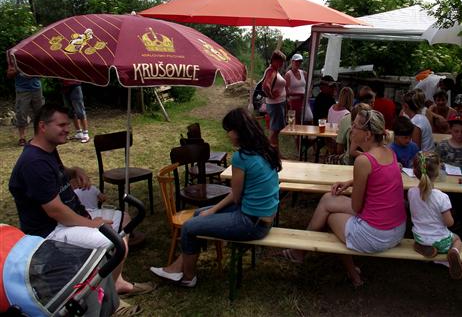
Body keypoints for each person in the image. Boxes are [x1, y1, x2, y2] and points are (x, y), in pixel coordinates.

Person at [8, 104, 155, 300]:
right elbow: (55, 211)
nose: (68, 129)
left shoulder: (47, 150)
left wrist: (75, 171)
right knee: (117, 241)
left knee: (125, 219)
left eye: (67, 124)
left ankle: (116, 283)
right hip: (51, 229)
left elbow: (59, 172)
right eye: (61, 125)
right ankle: (107, 299)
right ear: (42, 126)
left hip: (71, 215)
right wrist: (92, 224)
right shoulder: (34, 163)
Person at [150, 108, 281, 286]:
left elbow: (236, 196)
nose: (228, 135)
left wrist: (213, 210)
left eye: (229, 130)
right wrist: (212, 211)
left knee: (188, 227)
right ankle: (176, 269)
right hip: (263, 218)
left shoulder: (242, 157)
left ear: (239, 131)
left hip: (252, 223)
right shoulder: (265, 150)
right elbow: (240, 196)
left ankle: (188, 278)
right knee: (198, 215)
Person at [280, 109, 406, 287]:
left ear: (367, 135)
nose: (351, 129)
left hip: (377, 236)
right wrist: (351, 182)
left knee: (330, 215)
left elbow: (356, 207)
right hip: (397, 230)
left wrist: (347, 194)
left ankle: (351, 273)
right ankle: (300, 251)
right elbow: (379, 177)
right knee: (328, 198)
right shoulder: (389, 153)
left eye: (355, 126)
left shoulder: (363, 161)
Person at [408, 152, 462, 279]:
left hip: (419, 237)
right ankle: (453, 252)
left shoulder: (411, 192)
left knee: (422, 238)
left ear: (415, 172)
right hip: (441, 242)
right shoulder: (441, 197)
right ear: (437, 173)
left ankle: (422, 246)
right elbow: (449, 223)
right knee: (457, 239)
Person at [6, 58, 44, 146]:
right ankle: (22, 137)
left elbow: (42, 74)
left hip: (36, 89)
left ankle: (39, 136)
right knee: (21, 113)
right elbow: (9, 75)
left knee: (39, 113)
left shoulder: (34, 58)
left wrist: (33, 71)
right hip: (22, 90)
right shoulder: (14, 60)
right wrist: (19, 69)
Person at [262, 50, 287, 148]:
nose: (282, 64)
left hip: (278, 103)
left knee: (276, 130)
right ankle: (271, 152)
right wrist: (271, 96)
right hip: (276, 104)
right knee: (274, 130)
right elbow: (266, 85)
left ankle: (275, 152)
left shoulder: (274, 71)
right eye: (281, 61)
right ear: (275, 60)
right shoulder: (271, 71)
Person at [285, 53, 310, 124]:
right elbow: (286, 90)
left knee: (306, 119)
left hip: (303, 101)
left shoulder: (304, 73)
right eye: (296, 61)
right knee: (294, 122)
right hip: (293, 101)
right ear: (292, 62)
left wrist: (308, 93)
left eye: (300, 62)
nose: (298, 63)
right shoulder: (288, 74)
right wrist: (295, 95)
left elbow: (309, 84)